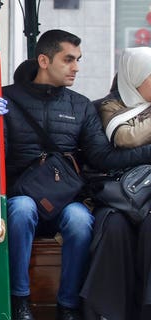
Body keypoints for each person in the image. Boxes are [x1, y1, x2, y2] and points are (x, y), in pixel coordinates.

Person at [0, 30, 151, 320]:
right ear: (44, 60)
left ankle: (68, 304)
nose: (76, 67)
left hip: (63, 195)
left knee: (81, 220)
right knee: (19, 210)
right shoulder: (5, 97)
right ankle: (19, 300)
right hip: (22, 192)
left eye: (78, 60)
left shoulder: (80, 105)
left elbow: (102, 157)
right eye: (68, 59)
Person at [81, 47, 151, 320]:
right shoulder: (102, 109)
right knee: (113, 227)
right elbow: (105, 154)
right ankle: (106, 313)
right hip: (116, 195)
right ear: (135, 78)